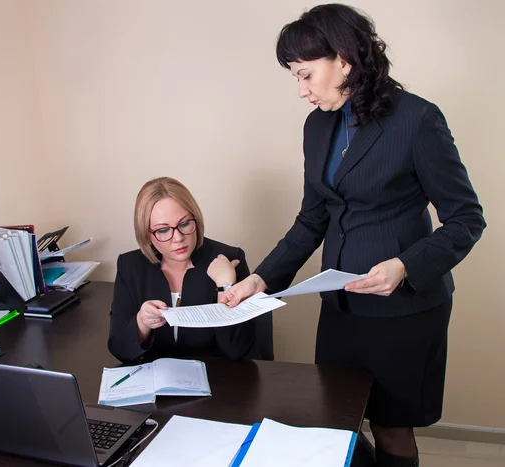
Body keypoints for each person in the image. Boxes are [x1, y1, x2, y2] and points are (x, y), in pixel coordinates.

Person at [222, 4, 486, 467]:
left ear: (344, 59)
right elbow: (312, 219)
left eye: (305, 75)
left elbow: (466, 219)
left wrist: (405, 266)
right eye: (295, 79)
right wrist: (260, 279)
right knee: (336, 420)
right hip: (341, 307)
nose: (301, 91)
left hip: (403, 309)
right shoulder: (317, 125)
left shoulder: (417, 120)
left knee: (390, 427)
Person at [108, 176, 255, 363]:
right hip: (155, 381)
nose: (177, 238)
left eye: (185, 224)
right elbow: (119, 349)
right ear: (147, 235)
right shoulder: (130, 266)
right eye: (163, 230)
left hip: (219, 381)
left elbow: (238, 350)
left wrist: (225, 287)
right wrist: (141, 323)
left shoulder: (230, 259)